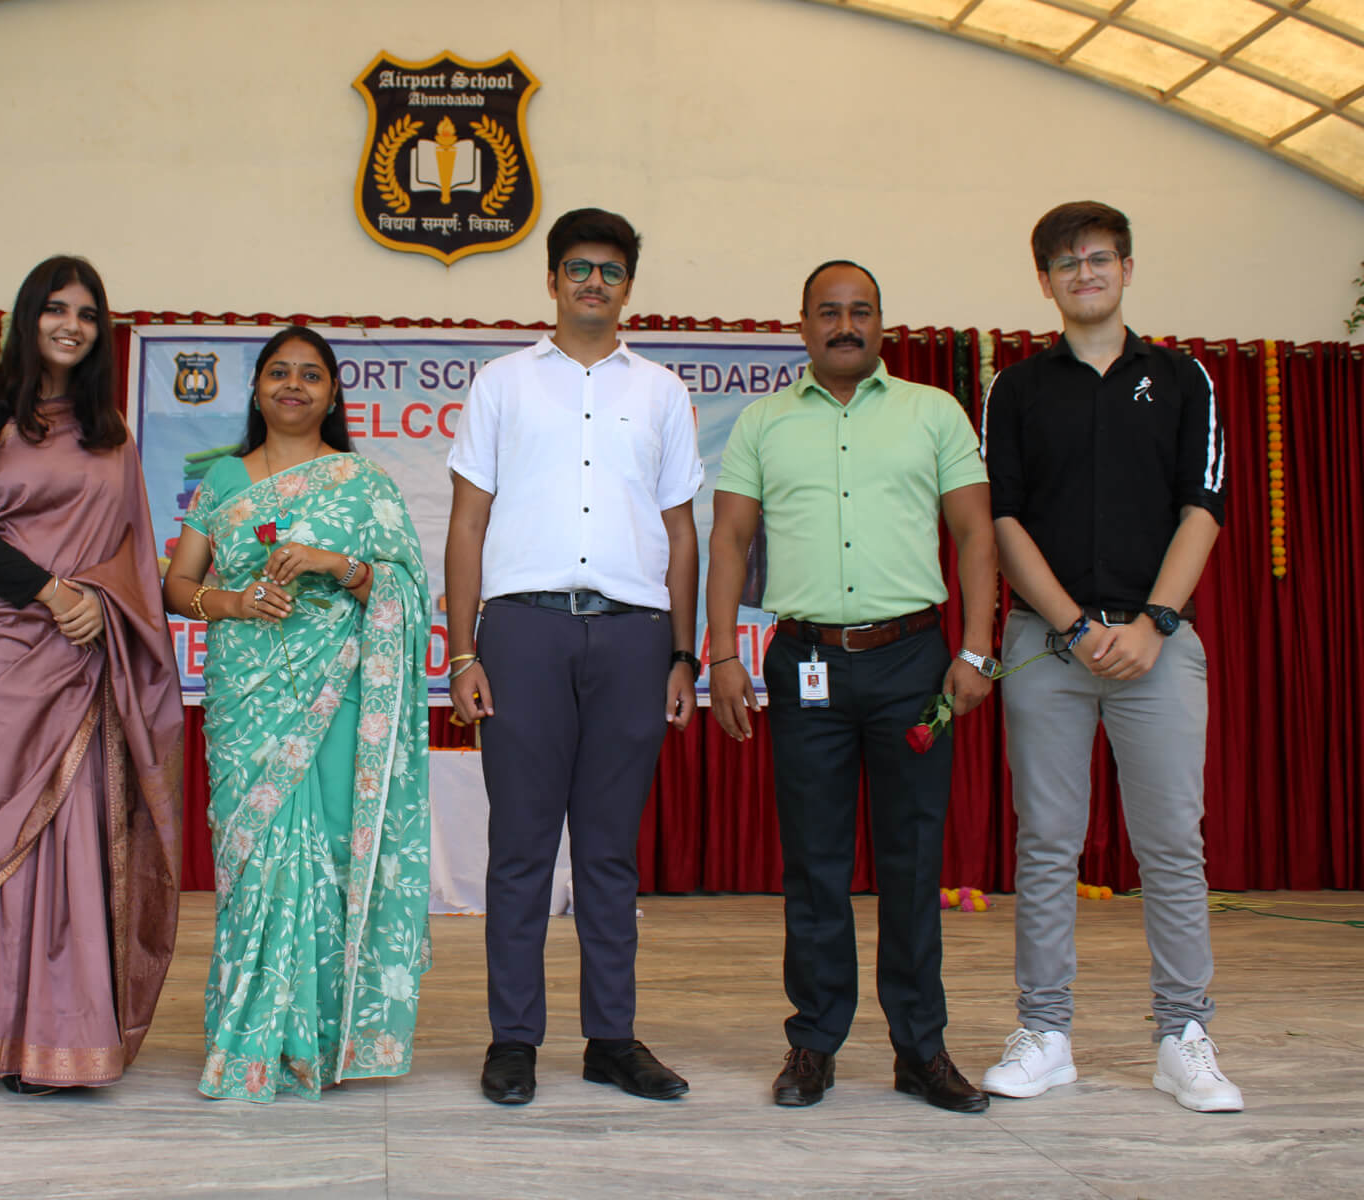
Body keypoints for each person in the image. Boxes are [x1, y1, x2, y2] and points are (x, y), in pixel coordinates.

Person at [706, 260, 997, 1113]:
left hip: (914, 664)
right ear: (802, 326)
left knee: (912, 861)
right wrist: (722, 656)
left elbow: (976, 533)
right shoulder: (762, 422)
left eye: (860, 311)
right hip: (807, 664)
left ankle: (921, 1049)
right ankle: (814, 1043)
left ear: (881, 323)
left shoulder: (932, 413)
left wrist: (977, 651)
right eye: (828, 312)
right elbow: (728, 542)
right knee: (815, 863)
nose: (845, 325)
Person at [979, 201, 1240, 1112]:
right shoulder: (1015, 388)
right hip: (1046, 646)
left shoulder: (1183, 378)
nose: (1083, 273)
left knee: (1170, 845)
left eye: (1099, 258)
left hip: (1157, 646)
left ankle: (1184, 1035)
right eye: (1065, 262)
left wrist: (1154, 622)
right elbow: (1002, 517)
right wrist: (1074, 627)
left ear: (1126, 268)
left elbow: (1203, 505)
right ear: (1044, 281)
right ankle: (1045, 1034)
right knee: (1048, 843)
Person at [446, 207, 701, 1106]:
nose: (595, 282)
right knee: (519, 848)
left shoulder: (661, 392)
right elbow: (467, 524)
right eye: (579, 268)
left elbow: (681, 532)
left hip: (634, 636)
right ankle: (513, 1039)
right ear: (551, 280)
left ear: (629, 286)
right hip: (523, 631)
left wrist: (684, 654)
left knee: (608, 853)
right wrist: (463, 652)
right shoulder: (502, 384)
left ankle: (611, 1039)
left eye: (611, 270)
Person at [0, 255, 184, 1094]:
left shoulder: (110, 432)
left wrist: (97, 604)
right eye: (55, 309)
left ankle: (64, 1035)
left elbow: (131, 553)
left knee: (76, 834)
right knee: (5, 831)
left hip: (82, 651)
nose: (70, 325)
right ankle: (1, 1031)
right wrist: (50, 594)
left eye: (86, 313)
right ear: (28, 317)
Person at [163, 326, 431, 1103]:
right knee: (256, 864)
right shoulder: (222, 479)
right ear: (256, 388)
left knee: (332, 853)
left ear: (333, 392)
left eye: (310, 374)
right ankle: (250, 1041)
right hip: (247, 698)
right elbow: (178, 585)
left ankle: (321, 1039)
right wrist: (235, 602)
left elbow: (405, 589)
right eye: (278, 372)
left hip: (338, 692)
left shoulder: (363, 482)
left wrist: (335, 565)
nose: (293, 385)